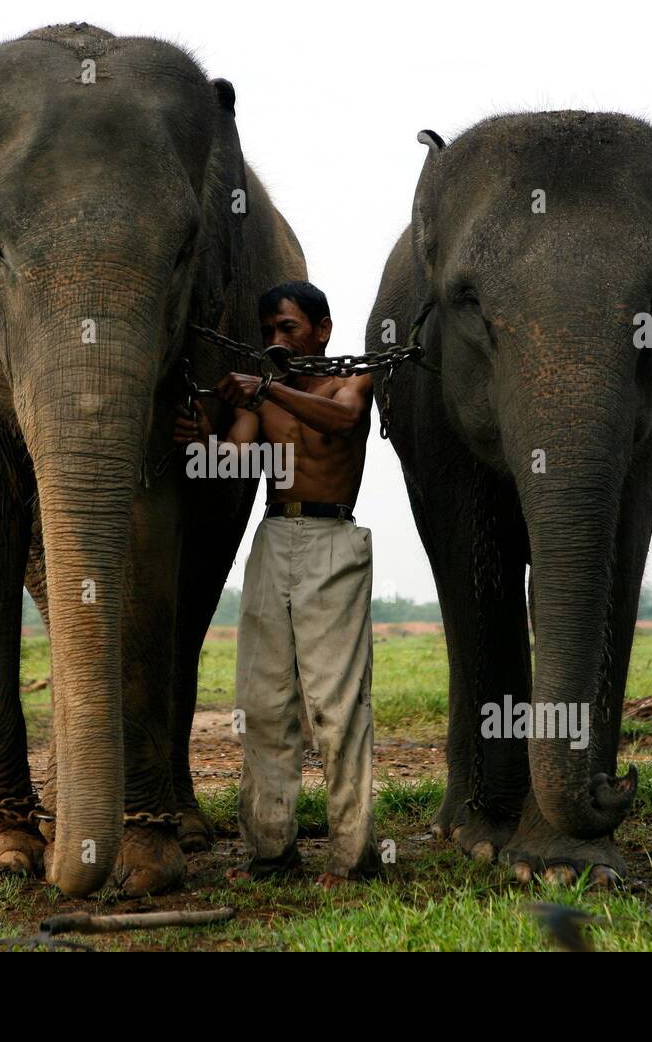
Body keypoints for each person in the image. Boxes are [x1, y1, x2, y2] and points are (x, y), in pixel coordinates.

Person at [174, 281, 379, 887]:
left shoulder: (354, 381)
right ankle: (270, 852)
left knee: (337, 708)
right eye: (268, 331)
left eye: (287, 328)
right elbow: (234, 464)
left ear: (322, 329)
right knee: (263, 705)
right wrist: (202, 444)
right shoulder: (260, 398)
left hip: (334, 539)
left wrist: (267, 387)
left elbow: (343, 423)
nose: (275, 340)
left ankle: (353, 858)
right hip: (272, 539)